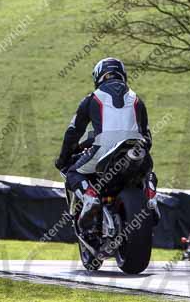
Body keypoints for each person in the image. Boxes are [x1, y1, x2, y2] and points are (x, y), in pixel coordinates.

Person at [54, 58, 158, 227]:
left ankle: (90, 197)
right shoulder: (137, 99)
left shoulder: (92, 98)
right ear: (123, 75)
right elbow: (147, 135)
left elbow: (73, 131)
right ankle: (151, 196)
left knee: (73, 173)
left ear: (98, 77)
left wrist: (63, 159)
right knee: (148, 172)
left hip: (104, 150)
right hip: (137, 150)